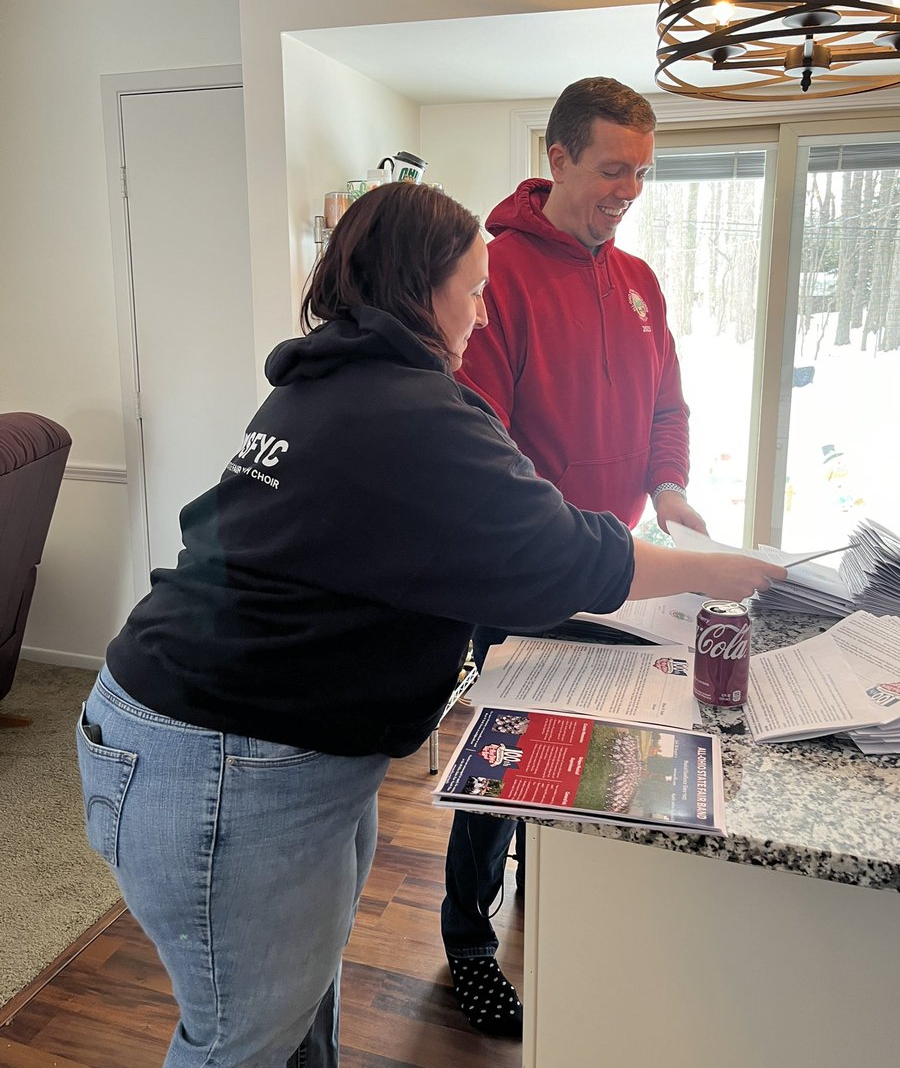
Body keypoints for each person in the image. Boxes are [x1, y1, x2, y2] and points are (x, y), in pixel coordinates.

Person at [75, 182, 781, 1068]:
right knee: (239, 1041)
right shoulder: (410, 411)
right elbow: (565, 556)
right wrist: (726, 568)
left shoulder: (320, 384)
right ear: (422, 285)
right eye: (476, 288)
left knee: (293, 1012)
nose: (483, 316)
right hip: (225, 759)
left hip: (214, 731)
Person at [440, 76, 710, 1038]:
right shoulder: (495, 272)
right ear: (556, 159)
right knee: (505, 771)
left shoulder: (639, 282)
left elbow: (665, 410)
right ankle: (469, 942)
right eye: (610, 169)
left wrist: (669, 488)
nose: (627, 189)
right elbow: (485, 441)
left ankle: (557, 899)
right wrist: (568, 537)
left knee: (599, 755)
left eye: (641, 172)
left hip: (622, 576)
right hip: (523, 571)